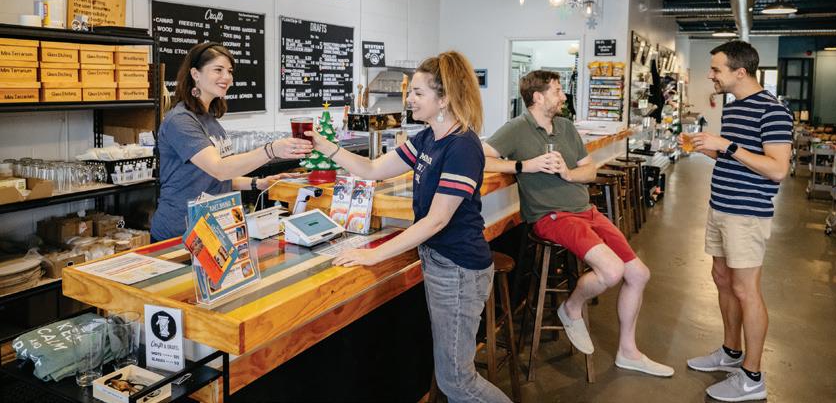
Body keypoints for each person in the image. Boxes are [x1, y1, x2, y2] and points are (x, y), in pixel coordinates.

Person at [308, 51, 512, 403]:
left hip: (459, 270)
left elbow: (437, 219)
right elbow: (373, 169)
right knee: (453, 377)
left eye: (418, 92)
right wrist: (327, 148)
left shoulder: (463, 146)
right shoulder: (428, 138)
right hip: (440, 263)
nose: (409, 99)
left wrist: (375, 255)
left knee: (458, 382)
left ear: (444, 98)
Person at [483, 70, 674, 378]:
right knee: (611, 271)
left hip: (586, 211)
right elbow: (482, 157)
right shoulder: (517, 128)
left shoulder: (566, 127)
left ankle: (628, 352)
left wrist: (568, 173)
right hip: (552, 216)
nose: (563, 96)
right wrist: (523, 165)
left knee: (639, 273)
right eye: (557, 91)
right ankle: (571, 308)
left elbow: (589, 171)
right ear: (538, 97)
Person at [685, 41, 792, 402]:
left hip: (746, 214)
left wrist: (727, 146)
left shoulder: (773, 111)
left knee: (746, 290)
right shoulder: (733, 108)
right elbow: (741, 158)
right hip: (720, 206)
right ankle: (731, 351)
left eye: (716, 69)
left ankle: (752, 377)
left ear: (740, 72)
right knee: (722, 279)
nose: (710, 75)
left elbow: (777, 169)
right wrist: (712, 151)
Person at [151, 42, 312, 241]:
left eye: (229, 71)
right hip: (179, 232)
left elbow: (216, 179)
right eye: (218, 70)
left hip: (213, 229)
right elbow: (219, 169)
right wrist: (271, 150)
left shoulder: (208, 119)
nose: (226, 77)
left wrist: (259, 183)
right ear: (195, 74)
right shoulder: (180, 120)